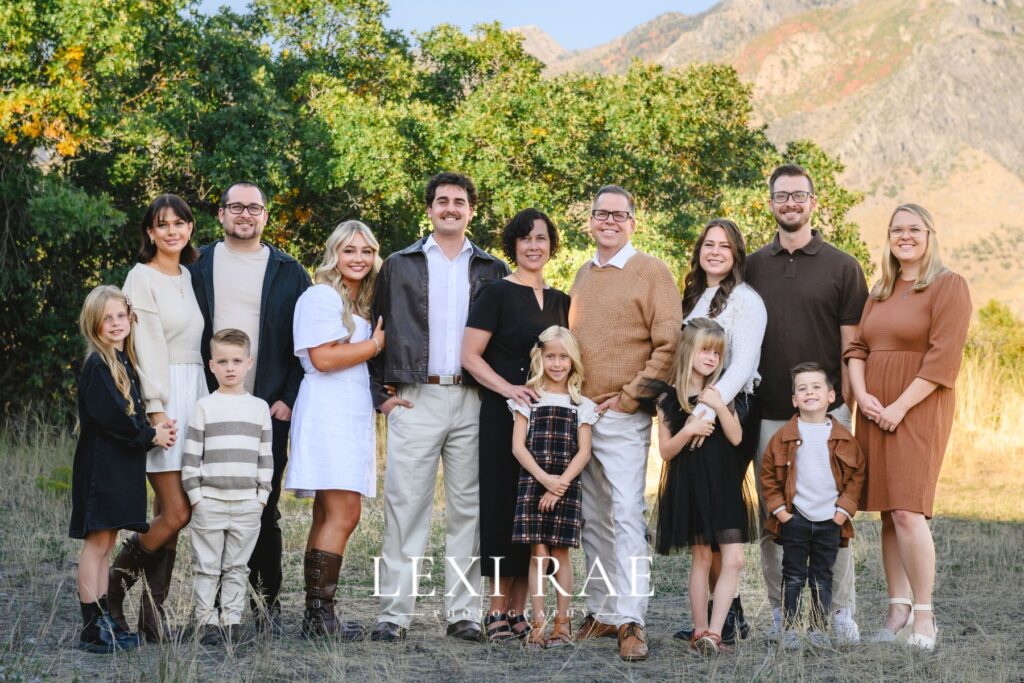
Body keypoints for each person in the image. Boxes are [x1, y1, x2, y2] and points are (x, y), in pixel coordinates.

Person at [369, 172, 510, 643]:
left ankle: (463, 613)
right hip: (416, 395)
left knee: (468, 509)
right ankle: (394, 614)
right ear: (428, 209)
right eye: (442, 201)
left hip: (473, 398)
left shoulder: (492, 269)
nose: (451, 208)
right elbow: (377, 329)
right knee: (405, 505)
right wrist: (381, 398)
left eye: (460, 202)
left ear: (472, 210)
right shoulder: (399, 264)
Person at [745, 164, 869, 642]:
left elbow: (851, 347)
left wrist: (845, 411)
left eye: (799, 195)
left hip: (827, 414)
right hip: (768, 413)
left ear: (813, 202)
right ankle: (783, 611)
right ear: (771, 203)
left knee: (831, 514)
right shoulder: (752, 265)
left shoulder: (842, 266)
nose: (790, 203)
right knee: (774, 515)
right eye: (782, 196)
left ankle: (838, 612)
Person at [845, 204, 971, 652]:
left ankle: (924, 617)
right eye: (897, 230)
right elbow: (857, 347)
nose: (905, 236)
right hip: (875, 409)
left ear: (929, 235)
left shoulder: (947, 285)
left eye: (914, 229)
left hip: (917, 408)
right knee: (886, 511)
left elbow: (943, 359)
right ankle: (896, 609)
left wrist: (899, 407)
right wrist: (861, 396)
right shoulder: (879, 289)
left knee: (908, 511)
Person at [189, 181, 311, 632]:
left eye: (254, 208)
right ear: (220, 214)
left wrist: (289, 398)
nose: (245, 214)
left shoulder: (288, 271)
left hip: (265, 411)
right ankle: (211, 610)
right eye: (235, 207)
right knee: (206, 508)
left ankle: (263, 606)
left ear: (265, 216)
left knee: (263, 507)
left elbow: (305, 343)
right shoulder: (196, 265)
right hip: (210, 408)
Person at [568, 185, 682, 661]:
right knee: (592, 519)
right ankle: (603, 610)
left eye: (619, 215)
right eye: (601, 214)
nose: (609, 221)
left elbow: (670, 345)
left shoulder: (652, 272)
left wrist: (632, 396)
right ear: (591, 221)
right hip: (582, 414)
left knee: (627, 517)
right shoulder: (583, 274)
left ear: (634, 222)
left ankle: (633, 618)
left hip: (621, 414)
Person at [461, 208, 571, 642]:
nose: (533, 245)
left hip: (549, 425)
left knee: (534, 515)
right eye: (524, 239)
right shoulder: (495, 293)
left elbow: (568, 358)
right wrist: (509, 389)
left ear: (551, 245)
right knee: (502, 507)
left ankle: (522, 611)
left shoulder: (562, 300)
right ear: (514, 246)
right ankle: (496, 610)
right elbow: (469, 356)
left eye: (541, 238)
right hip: (502, 416)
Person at [109, 194, 206, 642]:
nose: (172, 231)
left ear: (189, 229)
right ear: (150, 232)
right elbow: (143, 348)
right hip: (163, 399)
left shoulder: (188, 274)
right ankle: (113, 590)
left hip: (195, 393)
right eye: (162, 224)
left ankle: (153, 614)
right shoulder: (140, 277)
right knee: (177, 512)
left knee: (168, 511)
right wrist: (156, 411)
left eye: (180, 223)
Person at [285, 220, 385, 641]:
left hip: (349, 410)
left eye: (366, 251)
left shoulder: (358, 303)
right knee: (345, 512)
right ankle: (320, 615)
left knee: (329, 511)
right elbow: (323, 358)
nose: (358, 258)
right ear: (333, 254)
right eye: (349, 251)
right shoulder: (320, 295)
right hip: (328, 411)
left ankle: (317, 617)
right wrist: (376, 344)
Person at [70, 285, 176, 653]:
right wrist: (151, 435)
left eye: (121, 316)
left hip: (119, 467)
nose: (116, 323)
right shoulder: (97, 365)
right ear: (93, 323)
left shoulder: (121, 360)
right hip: (101, 467)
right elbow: (112, 419)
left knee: (109, 542)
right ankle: (92, 625)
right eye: (107, 318)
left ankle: (104, 620)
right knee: (96, 545)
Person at [675, 218, 765, 644]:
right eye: (708, 244)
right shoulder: (693, 296)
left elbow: (743, 365)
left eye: (723, 247)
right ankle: (725, 618)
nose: (714, 252)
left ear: (736, 255)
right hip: (694, 408)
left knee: (719, 514)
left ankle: (723, 618)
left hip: (731, 409)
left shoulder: (746, 301)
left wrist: (708, 415)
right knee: (703, 518)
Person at [655, 318, 746, 657]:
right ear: (688, 350)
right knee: (703, 558)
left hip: (723, 482)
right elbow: (665, 451)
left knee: (734, 560)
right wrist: (689, 429)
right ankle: (699, 630)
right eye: (705, 350)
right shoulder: (669, 397)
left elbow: (736, 437)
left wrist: (719, 404)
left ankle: (716, 632)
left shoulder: (724, 391)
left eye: (717, 353)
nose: (711, 358)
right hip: (691, 484)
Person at [760, 362, 866, 650]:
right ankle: (791, 629)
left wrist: (843, 511)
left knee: (822, 578)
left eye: (817, 387)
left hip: (830, 521)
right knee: (792, 576)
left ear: (831, 396)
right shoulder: (781, 438)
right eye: (802, 389)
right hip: (796, 519)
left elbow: (857, 475)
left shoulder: (844, 437)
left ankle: (818, 628)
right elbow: (768, 475)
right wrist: (781, 512)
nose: (810, 393)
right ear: (794, 400)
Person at [508, 326, 598, 649]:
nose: (557, 364)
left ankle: (563, 622)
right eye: (550, 357)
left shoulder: (580, 403)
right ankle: (538, 623)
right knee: (538, 553)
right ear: (540, 358)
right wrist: (545, 480)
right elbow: (519, 447)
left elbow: (583, 451)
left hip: (566, 486)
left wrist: (559, 485)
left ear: (572, 360)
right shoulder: (529, 398)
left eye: (563, 357)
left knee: (560, 552)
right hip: (534, 484)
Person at [181, 329, 272, 646]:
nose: (230, 367)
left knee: (237, 567)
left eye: (236, 361)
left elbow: (265, 457)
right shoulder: (204, 406)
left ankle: (231, 620)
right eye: (222, 361)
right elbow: (191, 457)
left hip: (247, 504)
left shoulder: (259, 407)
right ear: (211, 365)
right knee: (206, 566)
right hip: (210, 502)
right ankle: (205, 621)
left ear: (249, 363)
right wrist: (196, 499)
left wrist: (261, 498)